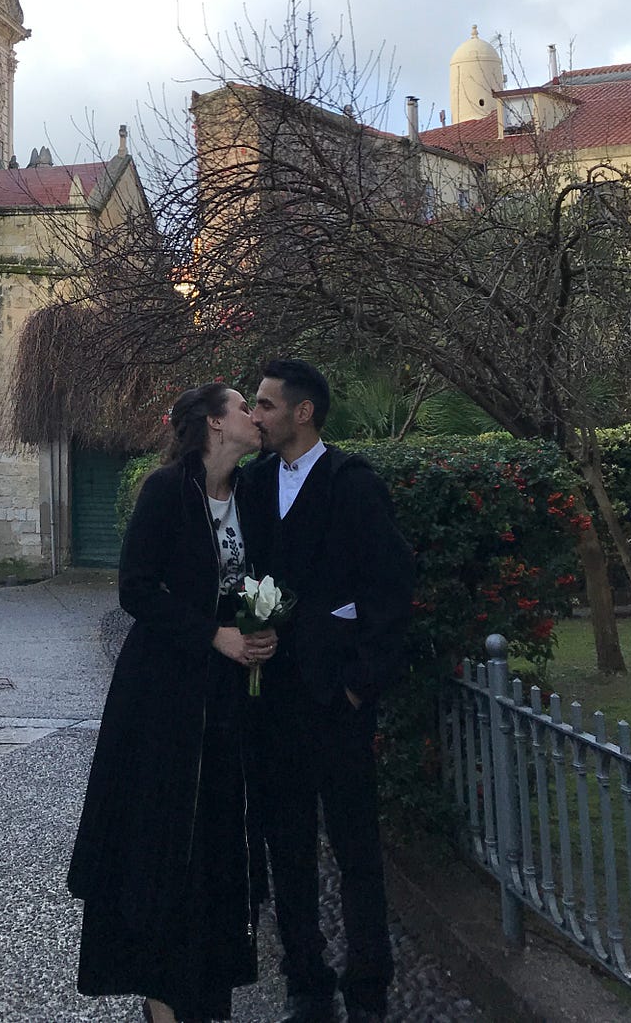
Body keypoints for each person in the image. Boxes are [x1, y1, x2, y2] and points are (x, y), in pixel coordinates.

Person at [69, 383, 275, 1023]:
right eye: (244, 407)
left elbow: (258, 582)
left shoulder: (252, 495)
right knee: (162, 845)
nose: (253, 417)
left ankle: (207, 994)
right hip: (161, 698)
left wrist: (262, 626)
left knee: (217, 842)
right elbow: (135, 589)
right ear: (216, 424)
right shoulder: (166, 491)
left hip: (226, 698)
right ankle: (162, 1001)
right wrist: (211, 632)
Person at [238, 358, 414, 1023]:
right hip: (272, 702)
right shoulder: (252, 486)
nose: (255, 414)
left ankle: (369, 985)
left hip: (336, 702)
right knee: (287, 850)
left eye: (265, 404)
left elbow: (391, 589)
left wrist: (358, 686)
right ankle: (305, 982)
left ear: (302, 411)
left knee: (356, 848)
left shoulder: (353, 484)